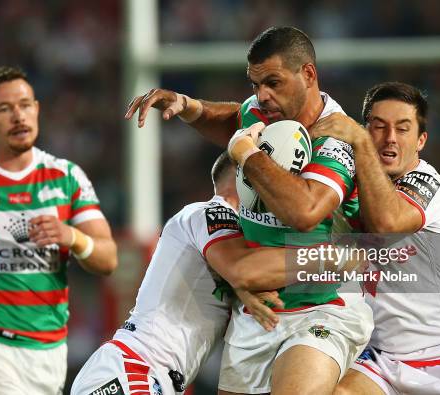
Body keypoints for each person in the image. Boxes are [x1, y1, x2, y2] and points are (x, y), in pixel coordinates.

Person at [126, 26, 373, 395]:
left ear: (308, 74)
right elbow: (235, 119)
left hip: (322, 307)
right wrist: (190, 107)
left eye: (273, 82)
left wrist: (249, 155)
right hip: (259, 314)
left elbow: (305, 212)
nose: (262, 95)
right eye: (256, 84)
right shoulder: (261, 111)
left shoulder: (335, 138)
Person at [71, 151, 355, 395]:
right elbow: (239, 269)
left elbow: (242, 273)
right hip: (134, 367)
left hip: (149, 374)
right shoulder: (207, 212)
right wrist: (324, 258)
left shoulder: (236, 242)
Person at [0, 66, 118, 394]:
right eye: (4, 108)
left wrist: (71, 236)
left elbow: (109, 259)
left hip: (51, 351)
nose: (18, 116)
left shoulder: (67, 177)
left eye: (25, 105)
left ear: (37, 109)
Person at [309, 82, 440, 395]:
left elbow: (386, 222)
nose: (390, 138)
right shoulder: (354, 182)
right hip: (381, 360)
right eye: (378, 127)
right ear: (366, 130)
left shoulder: (429, 184)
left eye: (402, 129)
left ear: (421, 140)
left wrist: (359, 144)